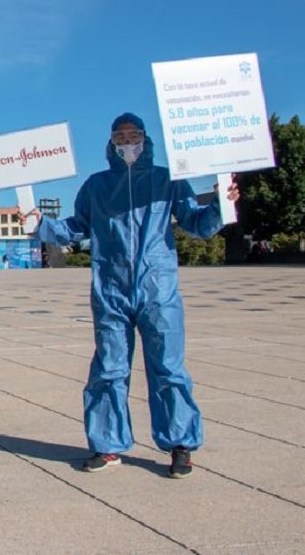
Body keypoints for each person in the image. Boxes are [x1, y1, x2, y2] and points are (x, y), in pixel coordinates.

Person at [19, 113, 239, 479]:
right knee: (108, 368)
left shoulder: (167, 180)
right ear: (111, 142)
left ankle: (180, 445)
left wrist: (221, 205)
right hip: (111, 289)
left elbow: (196, 223)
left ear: (145, 139)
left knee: (168, 368)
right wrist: (41, 225)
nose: (127, 142)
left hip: (159, 290)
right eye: (120, 136)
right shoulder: (97, 186)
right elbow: (76, 228)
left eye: (133, 135)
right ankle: (107, 446)